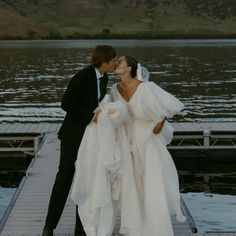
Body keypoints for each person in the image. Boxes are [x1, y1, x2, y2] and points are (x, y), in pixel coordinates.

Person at [42, 45, 117, 236]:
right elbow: (66, 103)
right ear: (104, 61)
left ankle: (80, 227)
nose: (115, 63)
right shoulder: (82, 77)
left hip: (90, 139)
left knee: (85, 180)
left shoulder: (104, 78)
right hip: (72, 136)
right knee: (64, 179)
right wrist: (92, 117)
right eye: (113, 60)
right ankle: (49, 227)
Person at [108, 56, 186, 236]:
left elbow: (169, 106)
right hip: (127, 139)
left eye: (120, 62)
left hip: (148, 138)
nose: (116, 65)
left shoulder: (146, 87)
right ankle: (136, 227)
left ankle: (157, 229)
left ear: (129, 68)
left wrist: (161, 121)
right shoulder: (115, 89)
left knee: (152, 182)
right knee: (132, 183)